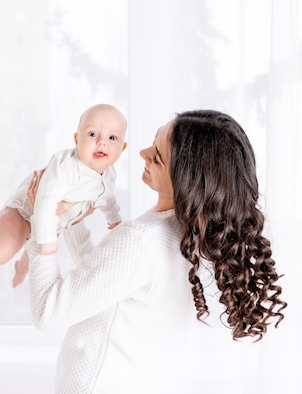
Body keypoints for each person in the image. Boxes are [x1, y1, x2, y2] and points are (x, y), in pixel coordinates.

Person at [26, 109, 287, 393]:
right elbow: (102, 283)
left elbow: (48, 313)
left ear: (186, 179)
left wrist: (41, 223)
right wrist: (70, 221)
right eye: (154, 142)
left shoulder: (141, 241)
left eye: (157, 156)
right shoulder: (188, 239)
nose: (142, 152)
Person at [0, 103, 128, 288]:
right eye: (92, 134)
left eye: (112, 137)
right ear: (76, 139)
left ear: (122, 148)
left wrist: (114, 217)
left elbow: (107, 196)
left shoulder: (109, 174)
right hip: (24, 213)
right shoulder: (66, 166)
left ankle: (20, 268)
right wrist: (47, 239)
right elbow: (45, 200)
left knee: (32, 257)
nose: (102, 142)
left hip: (52, 222)